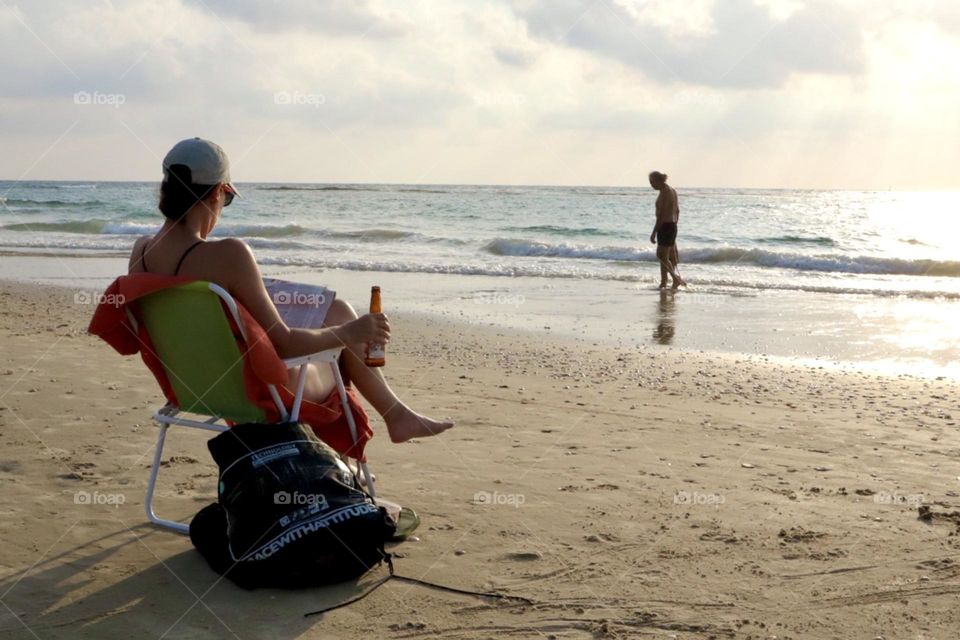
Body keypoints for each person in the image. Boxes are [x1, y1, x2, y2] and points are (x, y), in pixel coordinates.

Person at [128, 137, 453, 443]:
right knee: (341, 346)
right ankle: (384, 425)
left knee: (336, 310)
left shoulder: (141, 252)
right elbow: (283, 344)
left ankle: (395, 416)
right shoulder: (230, 254)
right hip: (254, 393)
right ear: (218, 193)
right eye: (226, 199)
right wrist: (352, 332)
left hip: (188, 388)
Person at [648, 171, 686, 289]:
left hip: (665, 226)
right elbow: (677, 211)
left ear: (659, 181)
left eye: (652, 182)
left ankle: (675, 279)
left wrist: (654, 232)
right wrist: (674, 225)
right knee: (669, 257)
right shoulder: (672, 190)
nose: (651, 185)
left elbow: (661, 216)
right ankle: (664, 282)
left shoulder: (665, 193)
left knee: (661, 255)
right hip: (672, 225)